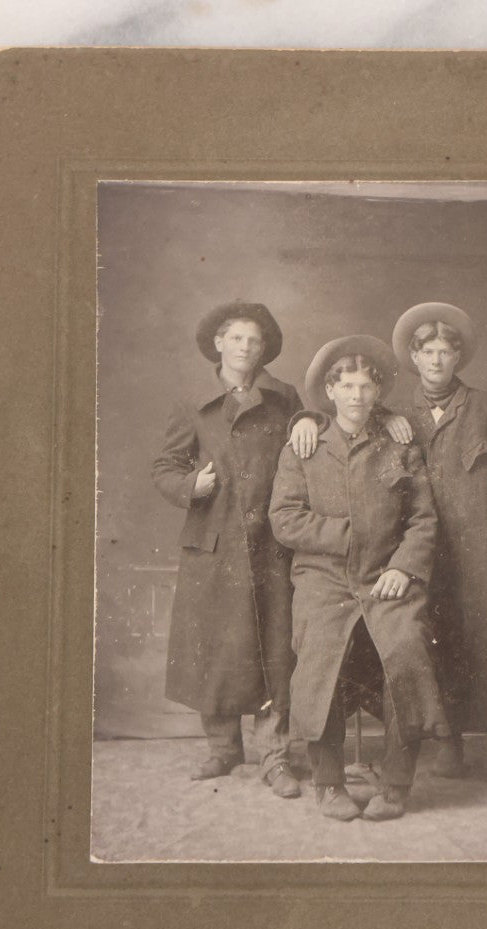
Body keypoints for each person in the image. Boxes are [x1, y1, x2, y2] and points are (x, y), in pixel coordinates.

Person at [269, 336, 449, 821]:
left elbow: (423, 519)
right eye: (347, 386)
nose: (357, 396)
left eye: (366, 387)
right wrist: (352, 535)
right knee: (321, 654)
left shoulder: (399, 445)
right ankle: (329, 783)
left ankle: (396, 785)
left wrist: (403, 567)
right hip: (324, 578)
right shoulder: (303, 446)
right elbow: (284, 518)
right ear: (330, 391)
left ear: (377, 392)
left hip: (386, 576)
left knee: (406, 648)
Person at [152, 300, 321, 798]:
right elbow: (164, 467)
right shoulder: (192, 402)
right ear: (219, 344)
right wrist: (191, 486)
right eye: (237, 339)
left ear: (263, 348)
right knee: (216, 649)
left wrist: (309, 419)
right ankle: (223, 748)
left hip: (271, 543)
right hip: (215, 543)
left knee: (275, 649)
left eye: (254, 340)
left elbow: (308, 441)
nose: (246, 348)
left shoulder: (284, 396)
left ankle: (275, 756)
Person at [390, 302, 487, 798]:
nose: (436, 361)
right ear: (414, 358)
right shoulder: (396, 416)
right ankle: (449, 742)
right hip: (424, 555)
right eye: (428, 352)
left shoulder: (486, 407)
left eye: (445, 352)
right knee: (438, 643)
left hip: (479, 552)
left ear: (458, 357)